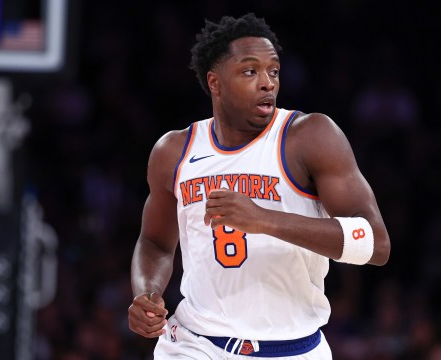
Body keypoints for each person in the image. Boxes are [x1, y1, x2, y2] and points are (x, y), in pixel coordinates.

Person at [128, 13, 391, 359]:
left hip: (294, 347)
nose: (267, 82)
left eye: (274, 70)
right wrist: (147, 292)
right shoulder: (174, 151)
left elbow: (375, 244)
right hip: (194, 345)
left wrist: (264, 220)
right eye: (250, 71)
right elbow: (155, 242)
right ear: (215, 82)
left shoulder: (310, 137)